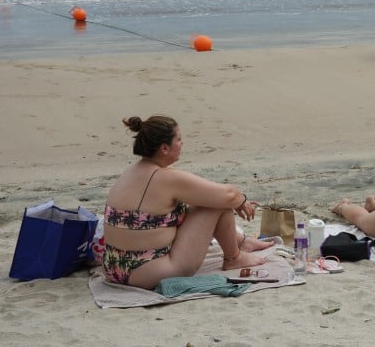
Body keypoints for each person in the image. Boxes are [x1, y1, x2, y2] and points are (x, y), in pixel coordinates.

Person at [102, 115, 274, 289]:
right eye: (179, 139)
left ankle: (242, 243)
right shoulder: (165, 178)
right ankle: (234, 258)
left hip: (113, 268)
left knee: (200, 205)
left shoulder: (131, 172)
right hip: (148, 272)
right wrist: (241, 200)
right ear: (164, 148)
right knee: (217, 204)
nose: (182, 144)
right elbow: (228, 195)